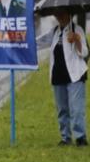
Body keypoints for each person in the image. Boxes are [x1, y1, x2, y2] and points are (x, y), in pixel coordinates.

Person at [37, 9, 88, 146]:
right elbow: (39, 43)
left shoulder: (78, 29)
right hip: (58, 75)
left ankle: (80, 137)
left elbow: (84, 52)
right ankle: (66, 138)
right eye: (57, 14)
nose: (59, 16)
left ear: (69, 14)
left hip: (75, 75)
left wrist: (77, 40)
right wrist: (22, 42)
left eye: (62, 14)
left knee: (76, 109)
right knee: (62, 109)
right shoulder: (54, 32)